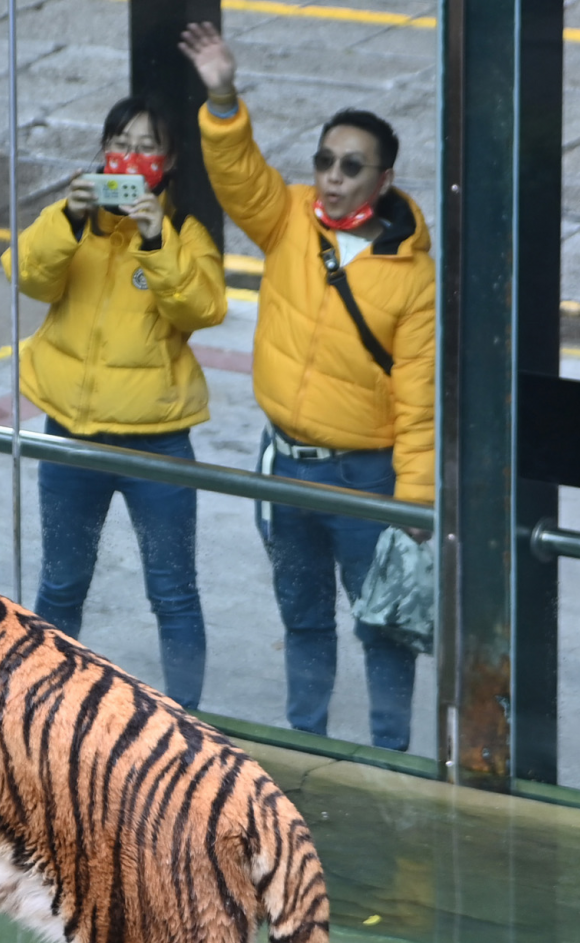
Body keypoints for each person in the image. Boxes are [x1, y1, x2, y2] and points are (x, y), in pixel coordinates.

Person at [181, 22, 436, 751]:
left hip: (366, 477)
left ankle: (389, 756)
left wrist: (415, 503)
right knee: (303, 615)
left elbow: (420, 399)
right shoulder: (291, 218)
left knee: (382, 624)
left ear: (383, 180)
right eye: (324, 160)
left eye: (351, 166)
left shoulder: (412, 276)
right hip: (287, 463)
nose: (331, 176)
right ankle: (308, 746)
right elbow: (237, 175)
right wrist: (223, 96)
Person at [1, 95, 227, 709]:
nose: (130, 157)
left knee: (173, 593)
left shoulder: (186, 235)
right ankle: (37, 712)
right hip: (71, 435)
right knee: (60, 585)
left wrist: (155, 237)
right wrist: (67, 222)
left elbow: (200, 308)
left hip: (158, 441)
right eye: (119, 143)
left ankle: (188, 728)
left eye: (147, 146)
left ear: (170, 161)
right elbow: (27, 276)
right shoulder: (75, 223)